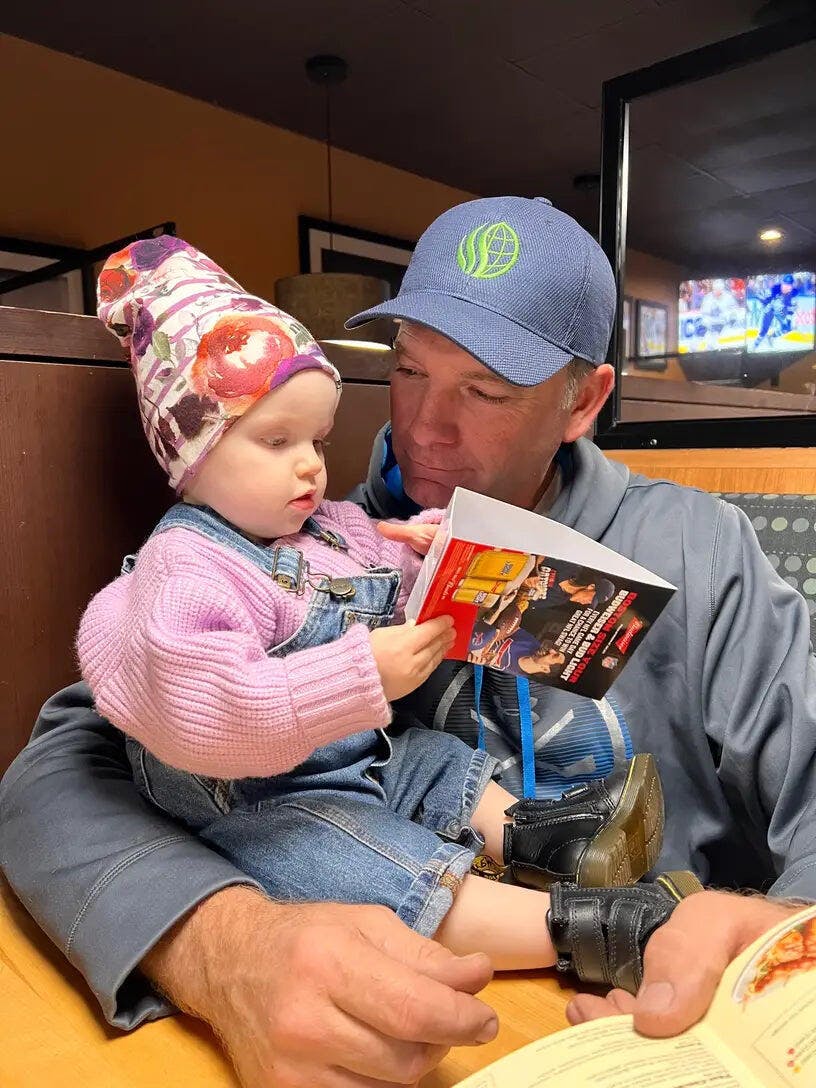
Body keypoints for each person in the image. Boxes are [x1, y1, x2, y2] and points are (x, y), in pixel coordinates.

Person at [1, 195, 813, 1088]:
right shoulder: (315, 547)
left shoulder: (701, 551)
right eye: (410, 369)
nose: (425, 428)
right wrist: (225, 945)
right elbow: (62, 768)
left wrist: (776, 948)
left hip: (652, 1028)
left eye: (485, 391)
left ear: (582, 401)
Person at [77, 236, 667, 976]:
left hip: (352, 755)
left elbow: (386, 572)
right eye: (276, 440)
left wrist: (437, 553)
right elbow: (207, 709)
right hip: (257, 799)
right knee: (369, 860)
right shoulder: (188, 568)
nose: (309, 466)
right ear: (189, 453)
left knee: (431, 759)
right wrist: (359, 677)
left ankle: (549, 836)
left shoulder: (330, 525)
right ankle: (584, 929)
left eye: (318, 440)